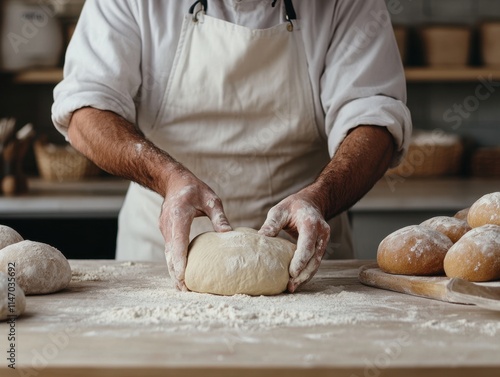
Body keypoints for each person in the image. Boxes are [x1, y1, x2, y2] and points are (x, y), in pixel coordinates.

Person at [52, 0, 412, 293]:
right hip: (159, 256)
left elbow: (374, 118)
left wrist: (320, 198)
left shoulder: (344, 4)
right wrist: (168, 178)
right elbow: (87, 109)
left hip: (304, 261)